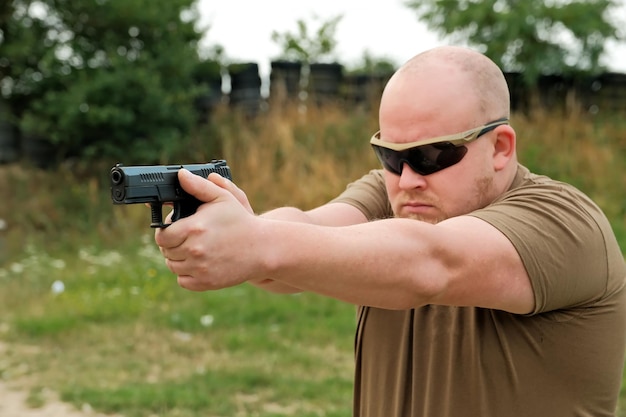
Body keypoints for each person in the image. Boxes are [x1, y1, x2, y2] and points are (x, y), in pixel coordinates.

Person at [154, 46, 626, 417]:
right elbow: (298, 246)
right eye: (390, 157)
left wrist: (256, 242)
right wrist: (239, 228)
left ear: (500, 148)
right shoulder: (402, 192)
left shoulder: (565, 222)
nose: (407, 179)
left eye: (432, 155)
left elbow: (432, 263)